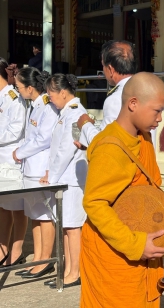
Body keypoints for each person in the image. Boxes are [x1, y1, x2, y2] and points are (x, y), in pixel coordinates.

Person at [80, 72, 164, 307]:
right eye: (157, 110)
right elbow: (94, 203)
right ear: (133, 103)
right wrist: (135, 244)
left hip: (139, 244)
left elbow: (146, 187)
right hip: (114, 251)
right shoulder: (110, 148)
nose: (160, 118)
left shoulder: (143, 138)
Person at [38, 73, 88, 288]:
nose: (50, 99)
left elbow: (66, 150)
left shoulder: (75, 112)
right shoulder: (66, 112)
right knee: (67, 227)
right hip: (65, 177)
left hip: (72, 180)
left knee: (73, 227)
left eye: (51, 95)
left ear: (63, 93)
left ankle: (74, 272)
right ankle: (68, 269)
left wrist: (52, 177)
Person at [11, 68, 59, 279]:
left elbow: (44, 140)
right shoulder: (35, 105)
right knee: (35, 216)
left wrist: (19, 152)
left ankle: (45, 261)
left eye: (20, 87)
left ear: (30, 88)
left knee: (46, 216)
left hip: (41, 169)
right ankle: (38, 259)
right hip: (30, 168)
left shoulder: (48, 107)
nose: (18, 91)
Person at [76, 40, 137, 147]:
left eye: (103, 66)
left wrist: (85, 125)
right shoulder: (145, 89)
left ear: (110, 69)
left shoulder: (117, 98)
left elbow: (105, 142)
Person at [0, 60, 27, 267]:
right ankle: (3, 250)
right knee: (2, 208)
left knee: (17, 208)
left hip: (11, 159)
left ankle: (16, 252)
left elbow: (16, 129)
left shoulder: (14, 98)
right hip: (1, 160)